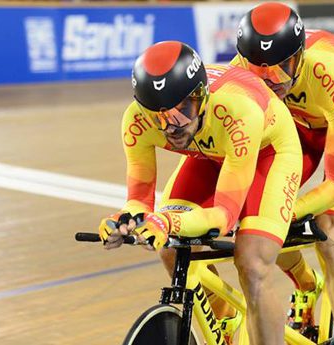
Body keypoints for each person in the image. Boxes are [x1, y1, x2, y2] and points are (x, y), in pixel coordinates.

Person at [99, 40, 303, 344]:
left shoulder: (239, 112)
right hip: (210, 153)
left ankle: (301, 288)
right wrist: (127, 219)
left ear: (202, 97)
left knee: (252, 265)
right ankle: (227, 322)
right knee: (169, 247)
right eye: (159, 117)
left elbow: (224, 216)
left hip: (267, 151)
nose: (172, 128)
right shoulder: (136, 121)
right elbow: (139, 199)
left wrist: (166, 221)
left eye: (183, 111)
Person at [230, 3, 334, 345]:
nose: (275, 81)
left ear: (300, 56)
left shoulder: (329, 70)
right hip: (296, 127)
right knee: (256, 218)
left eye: (284, 68)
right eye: (262, 71)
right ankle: (304, 281)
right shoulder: (238, 73)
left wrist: (287, 212)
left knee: (332, 232)